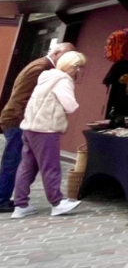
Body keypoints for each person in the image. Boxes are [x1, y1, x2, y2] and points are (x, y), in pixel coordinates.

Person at [11, 50, 86, 218]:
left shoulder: (46, 77)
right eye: (78, 67)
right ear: (69, 66)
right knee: (50, 166)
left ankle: (20, 205)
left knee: (26, 167)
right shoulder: (63, 80)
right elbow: (70, 105)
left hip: (30, 126)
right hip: (46, 128)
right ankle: (57, 203)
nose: (79, 71)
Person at [0, 42, 74, 213]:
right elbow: (21, 96)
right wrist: (25, 121)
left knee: (24, 163)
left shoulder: (43, 66)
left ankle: (16, 201)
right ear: (56, 53)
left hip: (20, 119)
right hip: (18, 120)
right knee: (14, 161)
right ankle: (3, 199)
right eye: (67, 55)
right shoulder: (42, 67)